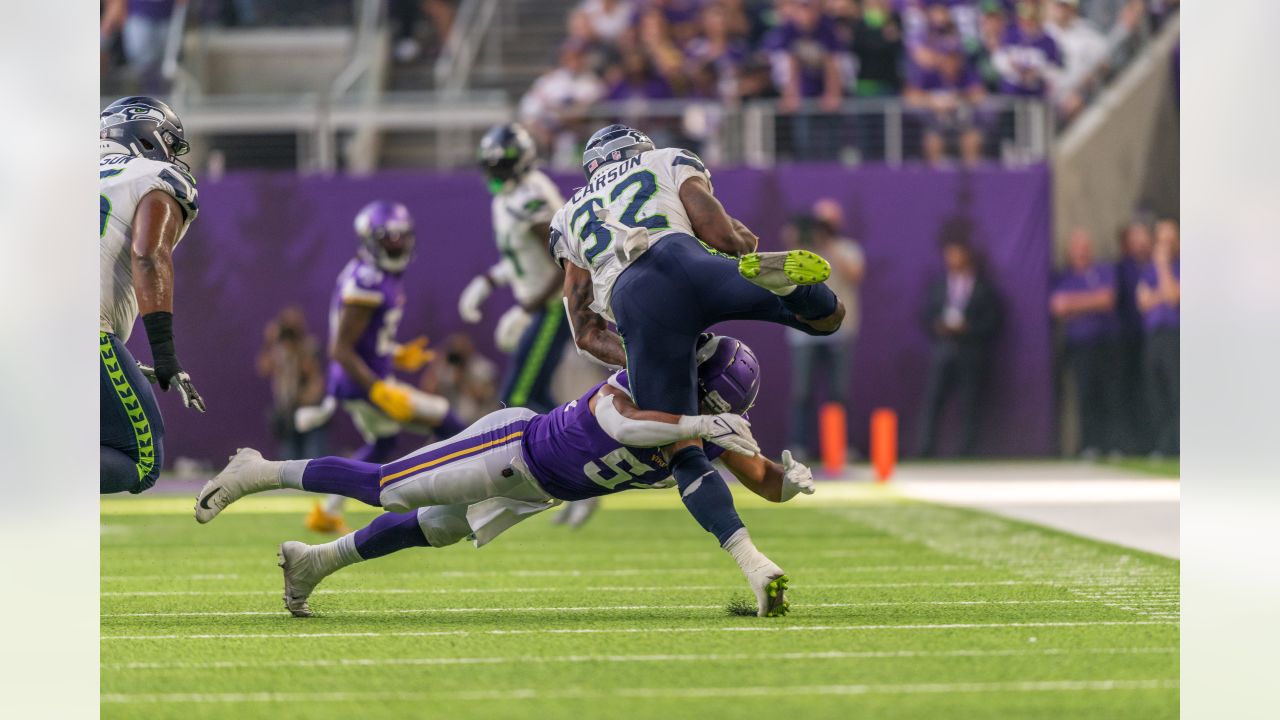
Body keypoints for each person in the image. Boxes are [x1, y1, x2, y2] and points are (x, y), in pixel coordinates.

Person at [195, 335, 815, 617]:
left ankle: (314, 562)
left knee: (435, 529)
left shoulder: (698, 426)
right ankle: (259, 470)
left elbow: (751, 479)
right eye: (710, 410)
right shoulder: (640, 390)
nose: (712, 422)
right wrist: (704, 427)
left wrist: (788, 480)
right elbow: (627, 430)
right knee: (390, 487)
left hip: (536, 491)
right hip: (510, 446)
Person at [549, 124, 845, 615]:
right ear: (637, 150)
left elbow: (584, 331)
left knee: (683, 450)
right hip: (689, 261)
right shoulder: (664, 158)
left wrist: (654, 357)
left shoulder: (567, 215)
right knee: (826, 318)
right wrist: (743, 254)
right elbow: (717, 231)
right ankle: (793, 291)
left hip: (635, 303)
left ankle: (754, 564)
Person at [293, 201, 466, 534]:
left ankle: (328, 512)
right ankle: (472, 490)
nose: (396, 244)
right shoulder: (368, 281)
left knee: (384, 444)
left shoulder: (376, 273)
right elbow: (340, 349)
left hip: (360, 379)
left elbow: (363, 340)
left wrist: (394, 353)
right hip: (361, 382)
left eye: (401, 237)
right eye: (388, 237)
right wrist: (378, 388)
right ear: (371, 239)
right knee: (445, 418)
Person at [100, 96, 204, 494]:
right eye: (171, 144)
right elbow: (148, 255)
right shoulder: (154, 175)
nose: (174, 156)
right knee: (141, 460)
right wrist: (164, 350)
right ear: (147, 137)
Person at [459, 124, 573, 414]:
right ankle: (576, 452)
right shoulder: (506, 198)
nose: (495, 174)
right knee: (534, 394)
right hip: (542, 306)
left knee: (516, 400)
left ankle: (554, 454)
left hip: (554, 307)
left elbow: (567, 262)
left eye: (502, 166)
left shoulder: (530, 197)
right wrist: (489, 281)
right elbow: (521, 257)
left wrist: (528, 308)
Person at [786, 201, 865, 460]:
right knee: (802, 392)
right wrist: (797, 240)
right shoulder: (802, 251)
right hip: (804, 329)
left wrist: (828, 245)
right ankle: (799, 446)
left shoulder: (848, 248)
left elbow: (855, 275)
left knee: (838, 392)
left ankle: (840, 447)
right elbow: (787, 275)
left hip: (840, 329)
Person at [915, 238, 1003, 457]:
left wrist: (968, 328)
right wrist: (938, 326)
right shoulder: (939, 285)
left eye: (957, 255)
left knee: (970, 403)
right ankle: (926, 450)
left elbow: (993, 321)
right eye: (949, 256)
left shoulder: (983, 287)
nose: (952, 260)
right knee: (933, 401)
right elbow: (927, 315)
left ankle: (967, 451)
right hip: (943, 351)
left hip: (970, 352)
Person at [1050, 228, 1121, 457]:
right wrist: (1092, 301)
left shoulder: (1103, 271)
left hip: (1107, 342)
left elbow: (1107, 299)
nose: (1081, 252)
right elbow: (1058, 307)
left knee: (1110, 394)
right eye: (1077, 248)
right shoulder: (1065, 277)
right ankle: (1090, 445)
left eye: (1085, 247)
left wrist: (1074, 304)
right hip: (1080, 345)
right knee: (1085, 394)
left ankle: (1114, 445)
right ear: (1070, 252)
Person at [763, 0, 848, 160]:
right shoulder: (789, 29)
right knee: (803, 136)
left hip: (822, 86)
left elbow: (831, 63)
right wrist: (791, 94)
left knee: (830, 137)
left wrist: (833, 93)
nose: (806, 14)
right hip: (805, 89)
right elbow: (792, 63)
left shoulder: (826, 27)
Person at [257, 307, 328, 461]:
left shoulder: (309, 346)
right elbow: (263, 368)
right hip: (287, 412)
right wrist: (269, 341)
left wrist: (307, 400)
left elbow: (315, 378)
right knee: (288, 461)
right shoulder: (278, 351)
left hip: (308, 410)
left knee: (313, 458)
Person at [1136, 219, 1179, 456]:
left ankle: (1180, 444)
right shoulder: (1148, 271)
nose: (1165, 245)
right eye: (1161, 240)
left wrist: (1164, 269)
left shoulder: (1179, 266)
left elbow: (1173, 297)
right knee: (1157, 390)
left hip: (1177, 336)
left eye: (1169, 240)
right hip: (1154, 336)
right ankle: (1164, 446)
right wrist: (1163, 291)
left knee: (1177, 391)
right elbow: (1143, 302)